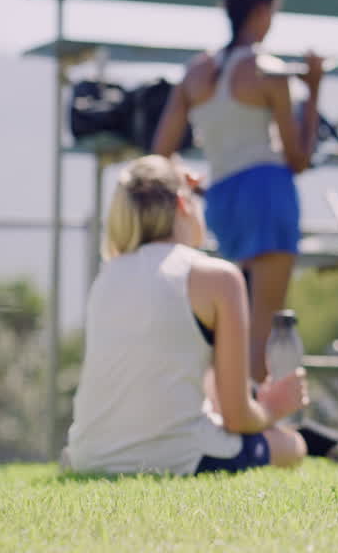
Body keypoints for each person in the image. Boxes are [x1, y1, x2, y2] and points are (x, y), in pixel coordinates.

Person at [66, 155, 308, 475]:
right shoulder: (219, 277)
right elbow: (238, 418)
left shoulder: (107, 276)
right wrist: (275, 406)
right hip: (176, 458)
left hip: (87, 458)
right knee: (292, 446)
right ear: (182, 203)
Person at [153, 0, 325, 383]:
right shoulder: (268, 70)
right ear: (263, 11)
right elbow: (299, 158)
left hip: (223, 199)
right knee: (261, 330)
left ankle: (228, 419)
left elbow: (160, 152)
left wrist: (195, 182)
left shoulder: (197, 72)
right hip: (268, 192)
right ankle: (253, 433)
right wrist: (315, 88)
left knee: (229, 324)